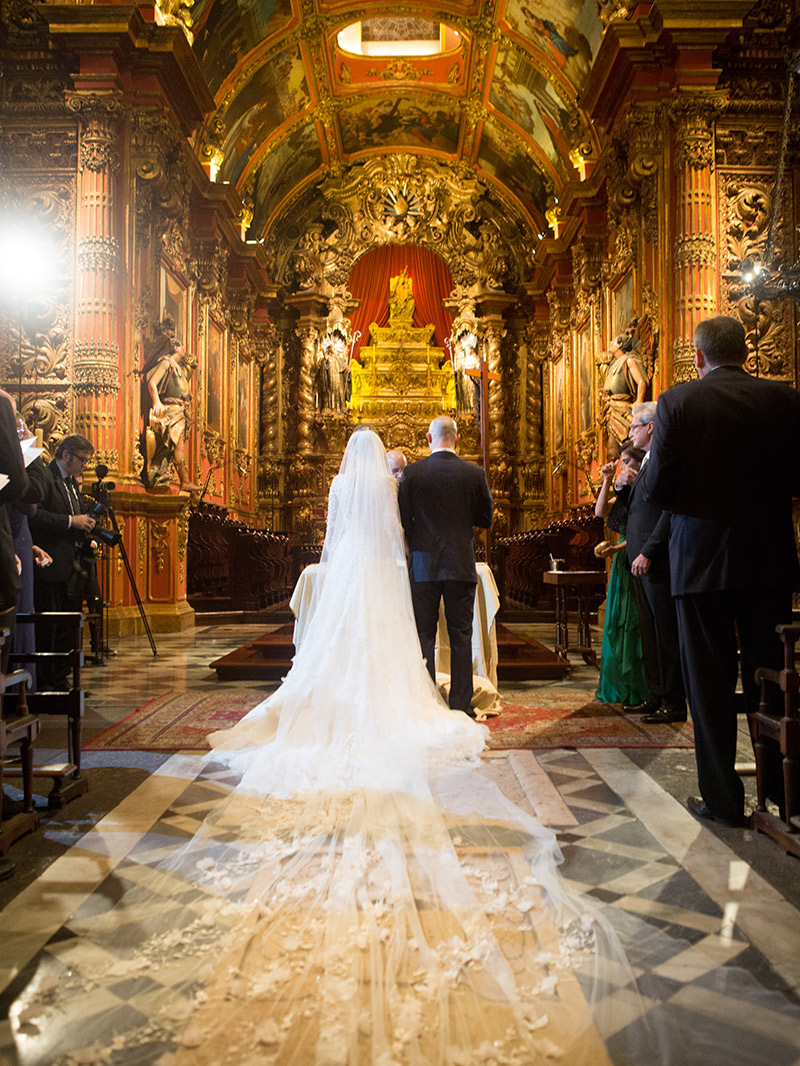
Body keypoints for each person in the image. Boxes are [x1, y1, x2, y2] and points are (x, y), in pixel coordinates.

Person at [10, 425, 661, 1066]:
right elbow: (404, 528)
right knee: (409, 650)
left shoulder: (345, 482)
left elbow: (342, 532)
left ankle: (342, 708)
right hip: (404, 569)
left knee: (338, 654)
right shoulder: (408, 479)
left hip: (355, 571)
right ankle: (450, 701)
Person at [647, 314, 800, 827]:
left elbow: (658, 490)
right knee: (772, 676)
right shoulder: (784, 397)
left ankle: (723, 798)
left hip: (700, 561)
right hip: (769, 557)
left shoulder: (679, 401)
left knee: (707, 682)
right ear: (747, 350)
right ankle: (782, 789)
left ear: (698, 356)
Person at [398, 415, 493, 716]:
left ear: (429, 438)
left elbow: (402, 519)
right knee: (461, 636)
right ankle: (460, 706)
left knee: (424, 636)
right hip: (460, 565)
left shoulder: (412, 474)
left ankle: (424, 703)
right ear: (458, 439)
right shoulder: (474, 473)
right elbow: (486, 520)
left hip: (424, 567)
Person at [614, 403, 687, 723]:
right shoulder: (645, 463)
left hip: (656, 560)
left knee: (666, 633)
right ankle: (655, 695)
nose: (630, 433)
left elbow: (668, 512)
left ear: (652, 427)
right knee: (650, 631)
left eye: (634, 427)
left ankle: (674, 701)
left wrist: (648, 551)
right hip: (640, 559)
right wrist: (621, 487)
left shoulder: (665, 459)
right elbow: (638, 510)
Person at [28, 434, 96, 688]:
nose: (85, 466)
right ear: (65, 455)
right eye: (82, 460)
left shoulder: (69, 483)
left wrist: (84, 526)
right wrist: (71, 521)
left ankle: (61, 679)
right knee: (50, 627)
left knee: (67, 628)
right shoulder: (45, 478)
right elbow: (36, 518)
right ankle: (47, 682)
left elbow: (73, 515)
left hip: (71, 566)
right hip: (49, 564)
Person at [594, 442, 649, 706]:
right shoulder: (626, 492)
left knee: (634, 624)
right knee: (618, 621)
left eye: (626, 462)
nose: (622, 467)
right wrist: (606, 480)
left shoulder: (644, 488)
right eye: (621, 462)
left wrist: (616, 547)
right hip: (620, 563)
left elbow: (640, 531)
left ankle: (637, 686)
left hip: (635, 557)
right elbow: (600, 511)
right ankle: (619, 685)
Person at [140, 317, 199, 491]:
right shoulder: (166, 362)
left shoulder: (179, 368)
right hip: (171, 410)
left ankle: (181, 479)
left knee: (175, 446)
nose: (183, 349)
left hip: (179, 411)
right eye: (180, 345)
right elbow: (152, 382)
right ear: (174, 347)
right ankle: (184, 481)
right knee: (176, 445)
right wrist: (157, 401)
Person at [598, 333, 648, 457]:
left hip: (622, 409)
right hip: (611, 409)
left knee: (627, 442)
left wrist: (638, 401)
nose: (610, 342)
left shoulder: (628, 361)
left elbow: (641, 381)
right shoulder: (612, 365)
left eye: (613, 341)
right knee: (611, 447)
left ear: (620, 344)